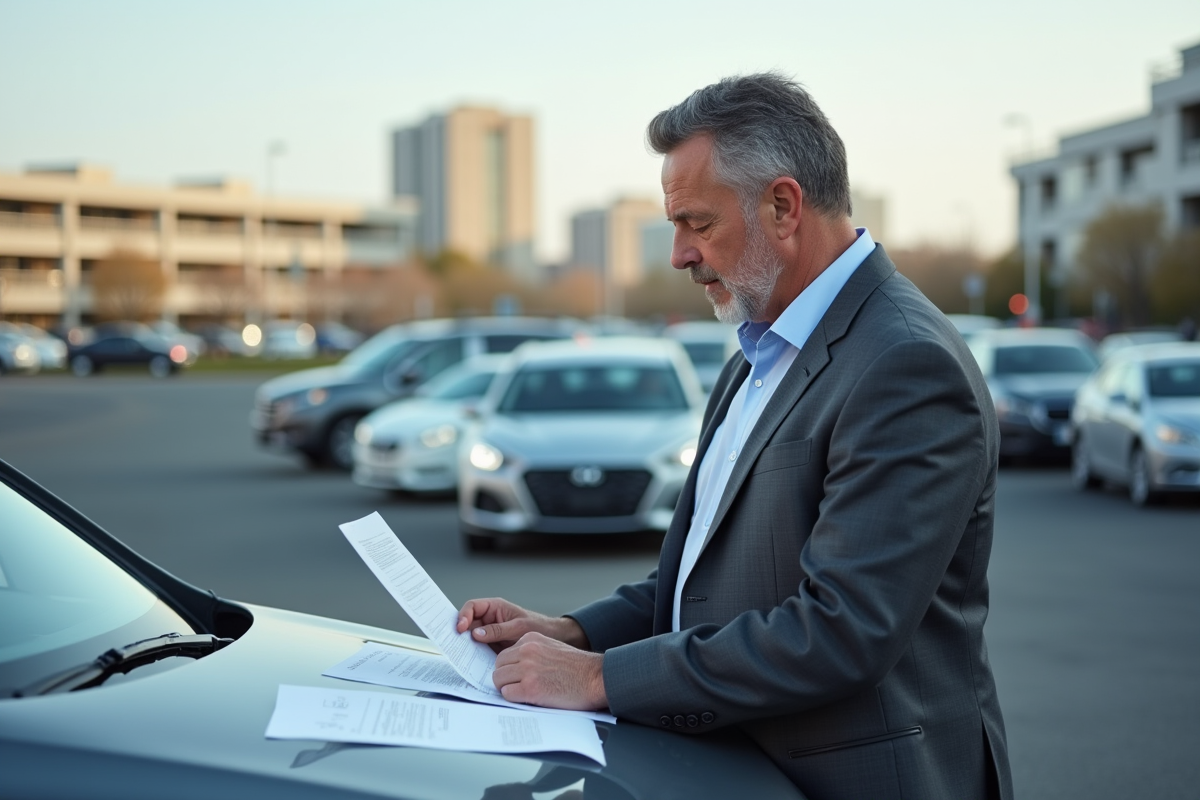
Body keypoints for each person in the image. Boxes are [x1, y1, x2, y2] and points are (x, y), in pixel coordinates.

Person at [458, 74, 1012, 800]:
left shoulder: (905, 363)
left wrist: (597, 680)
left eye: (697, 223)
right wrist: (574, 633)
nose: (678, 255)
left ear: (783, 206)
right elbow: (701, 575)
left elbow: (844, 631)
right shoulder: (758, 351)